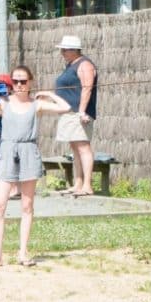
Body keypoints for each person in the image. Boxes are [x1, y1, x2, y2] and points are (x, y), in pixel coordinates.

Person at [0, 66, 73, 266]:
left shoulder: (37, 104)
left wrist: (49, 94)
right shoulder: (3, 102)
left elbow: (65, 108)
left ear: (30, 82)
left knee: (27, 205)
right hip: (7, 152)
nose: (19, 85)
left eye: (23, 81)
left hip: (28, 152)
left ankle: (23, 253)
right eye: (15, 81)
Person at [54, 35, 101, 196]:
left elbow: (87, 88)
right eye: (62, 49)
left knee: (83, 147)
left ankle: (87, 185)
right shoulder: (71, 65)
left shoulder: (85, 64)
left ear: (75, 50)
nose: (62, 53)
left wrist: (81, 111)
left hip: (78, 113)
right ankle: (78, 183)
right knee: (75, 148)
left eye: (65, 50)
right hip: (69, 112)